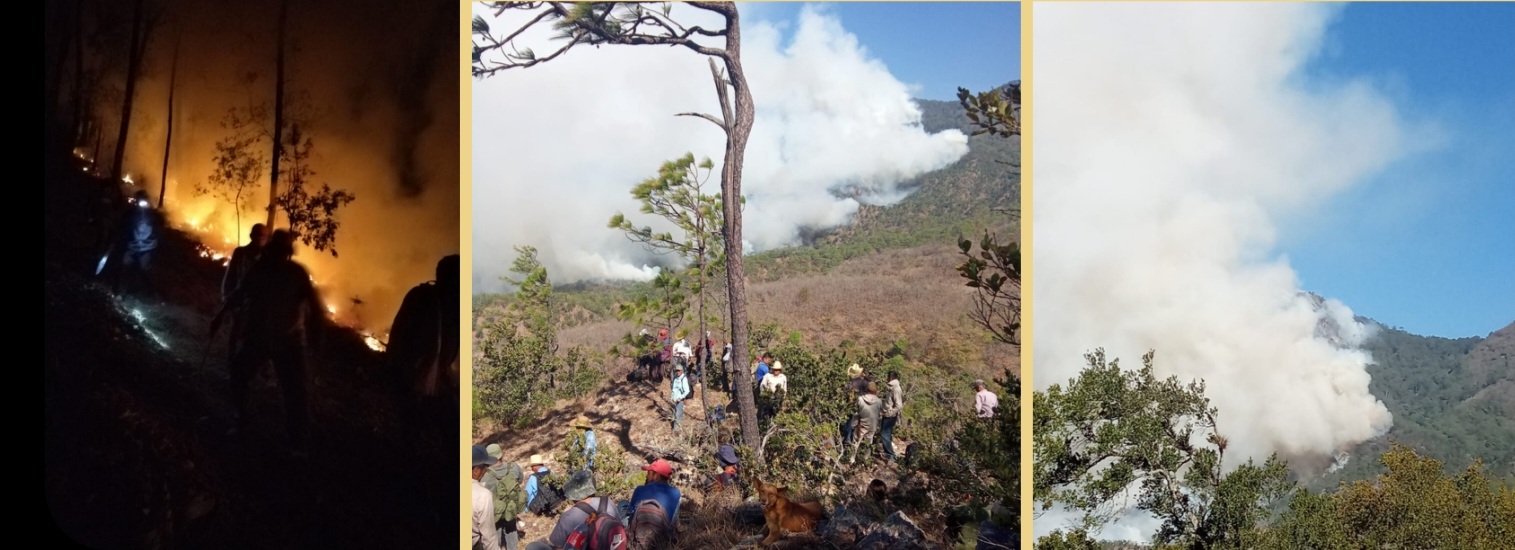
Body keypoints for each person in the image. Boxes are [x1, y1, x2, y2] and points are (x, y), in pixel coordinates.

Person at [209, 229, 323, 456]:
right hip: (266, 338)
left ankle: (295, 440)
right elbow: (240, 293)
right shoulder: (265, 269)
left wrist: (316, 336)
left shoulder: (292, 272)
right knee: (243, 375)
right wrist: (220, 315)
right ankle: (246, 422)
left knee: (295, 391)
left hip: (286, 341)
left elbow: (315, 307)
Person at [524, 473, 622, 550]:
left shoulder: (568, 516)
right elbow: (620, 525)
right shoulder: (607, 501)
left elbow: (559, 547)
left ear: (572, 494)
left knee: (533, 547)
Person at [111, 189, 161, 296]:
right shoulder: (129, 214)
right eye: (139, 201)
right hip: (132, 246)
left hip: (147, 247)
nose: (142, 203)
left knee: (145, 269)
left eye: (144, 201)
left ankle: (151, 292)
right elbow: (122, 228)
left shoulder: (154, 216)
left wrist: (155, 246)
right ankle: (120, 292)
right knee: (125, 266)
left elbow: (159, 231)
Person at [484, 444, 527, 550]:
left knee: (495, 533)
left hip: (494, 511)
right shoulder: (514, 467)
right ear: (502, 454)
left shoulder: (485, 476)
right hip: (511, 507)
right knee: (511, 529)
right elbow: (520, 480)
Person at [627, 459, 681, 541]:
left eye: (649, 473)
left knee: (622, 504)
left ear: (656, 476)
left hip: (638, 532)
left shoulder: (640, 489)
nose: (646, 476)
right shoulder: (676, 493)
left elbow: (630, 512)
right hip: (662, 536)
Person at [473, 445, 503, 550]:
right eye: (485, 466)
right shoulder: (482, 494)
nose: (486, 470)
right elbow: (489, 537)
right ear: (476, 470)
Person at [850, 382, 884, 464]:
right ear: (875, 391)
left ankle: (851, 459)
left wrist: (854, 424)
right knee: (869, 443)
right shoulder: (879, 401)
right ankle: (866, 460)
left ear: (866, 390)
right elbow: (879, 413)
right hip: (872, 425)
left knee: (855, 443)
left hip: (860, 425)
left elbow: (855, 412)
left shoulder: (860, 399)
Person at [880, 371, 904, 462]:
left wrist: (889, 413)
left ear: (890, 377)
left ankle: (891, 456)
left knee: (884, 434)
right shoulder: (891, 387)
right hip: (887, 414)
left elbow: (899, 405)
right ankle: (889, 454)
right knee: (887, 434)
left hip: (890, 416)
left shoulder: (896, 389)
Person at [842, 364, 868, 445]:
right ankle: (852, 439)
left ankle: (847, 439)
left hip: (851, 405)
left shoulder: (850, 383)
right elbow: (870, 385)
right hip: (860, 405)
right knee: (856, 423)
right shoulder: (863, 382)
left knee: (849, 422)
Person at [670, 364, 691, 432]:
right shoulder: (676, 377)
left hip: (680, 400)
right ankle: (675, 428)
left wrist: (680, 397)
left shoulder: (683, 379)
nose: (677, 372)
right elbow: (674, 388)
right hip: (674, 399)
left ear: (682, 371)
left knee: (678, 415)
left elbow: (687, 390)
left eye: (679, 370)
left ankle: (676, 430)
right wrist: (672, 397)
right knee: (675, 414)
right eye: (676, 370)